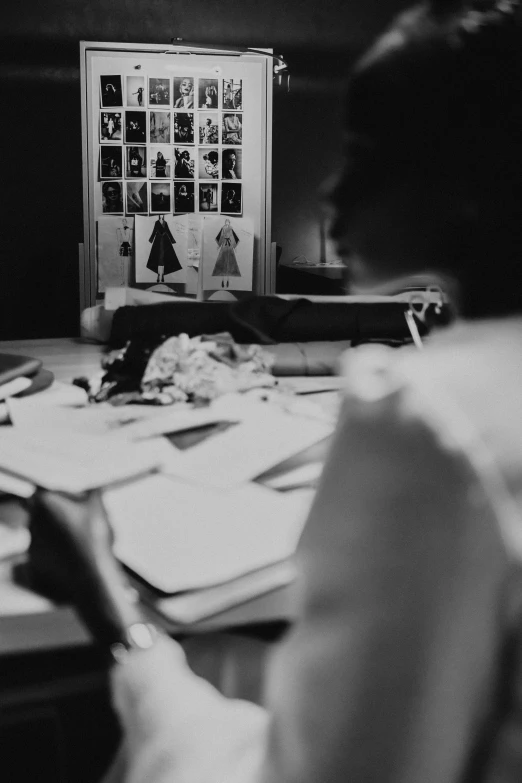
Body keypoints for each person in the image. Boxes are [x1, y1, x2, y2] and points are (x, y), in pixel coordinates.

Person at [30, 2, 522, 782]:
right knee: (227, 661)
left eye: (364, 153)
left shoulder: (426, 413)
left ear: (472, 184)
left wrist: (105, 597)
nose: (332, 193)